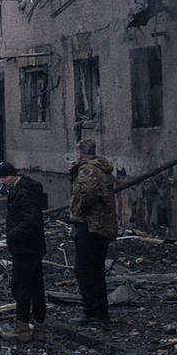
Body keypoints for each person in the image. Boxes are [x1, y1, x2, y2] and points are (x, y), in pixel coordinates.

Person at [0, 161, 46, 340]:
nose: (2, 181)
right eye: (0, 178)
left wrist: (12, 234)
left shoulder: (22, 193)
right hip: (32, 246)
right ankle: (39, 326)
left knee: (21, 286)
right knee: (36, 286)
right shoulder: (25, 189)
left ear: (13, 176)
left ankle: (22, 327)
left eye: (4, 177)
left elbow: (31, 220)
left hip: (25, 247)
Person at [69, 138, 119, 324]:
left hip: (89, 224)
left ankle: (91, 312)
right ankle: (102, 313)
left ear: (81, 153)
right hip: (103, 225)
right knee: (97, 269)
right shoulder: (102, 169)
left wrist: (78, 210)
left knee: (84, 270)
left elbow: (88, 193)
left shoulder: (87, 169)